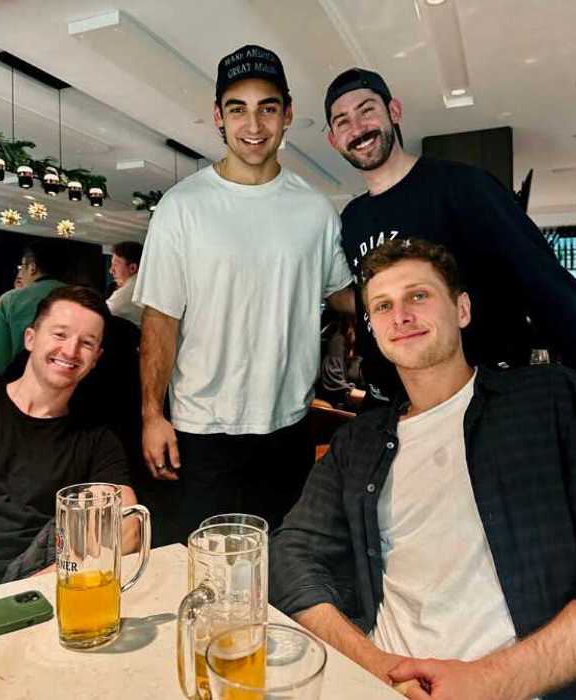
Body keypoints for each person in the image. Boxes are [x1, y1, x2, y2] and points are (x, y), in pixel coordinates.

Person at [272, 238, 576, 700]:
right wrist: (376, 666)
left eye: (418, 295)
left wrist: (494, 681)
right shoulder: (358, 442)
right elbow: (288, 555)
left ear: (462, 310)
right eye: (383, 306)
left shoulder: (549, 399)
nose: (401, 315)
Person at [133, 44, 355, 541]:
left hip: (288, 428)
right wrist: (152, 414)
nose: (253, 125)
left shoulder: (315, 210)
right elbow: (160, 319)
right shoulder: (182, 207)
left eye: (267, 108)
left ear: (287, 114)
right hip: (200, 431)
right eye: (238, 109)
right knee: (203, 567)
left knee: (283, 564)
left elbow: (343, 296)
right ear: (218, 116)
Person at [324, 67, 576, 404]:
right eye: (342, 122)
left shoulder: (464, 186)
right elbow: (362, 301)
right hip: (390, 406)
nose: (357, 128)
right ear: (334, 140)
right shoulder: (351, 219)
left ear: (394, 111)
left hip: (483, 398)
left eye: (366, 110)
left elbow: (543, 282)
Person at [0, 285, 139, 590]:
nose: (70, 351)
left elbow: (128, 528)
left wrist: (39, 586)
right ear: (30, 338)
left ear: (96, 358)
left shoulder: (96, 441)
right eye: (60, 335)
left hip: (21, 585)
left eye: (86, 343)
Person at [0, 242, 65, 374]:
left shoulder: (8, 300)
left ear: (32, 268)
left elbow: (0, 363)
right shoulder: (79, 298)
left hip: (21, 379)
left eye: (22, 266)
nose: (21, 272)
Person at [106, 240, 143, 327]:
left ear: (132, 268)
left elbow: (102, 312)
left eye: (115, 265)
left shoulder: (132, 288)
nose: (111, 271)